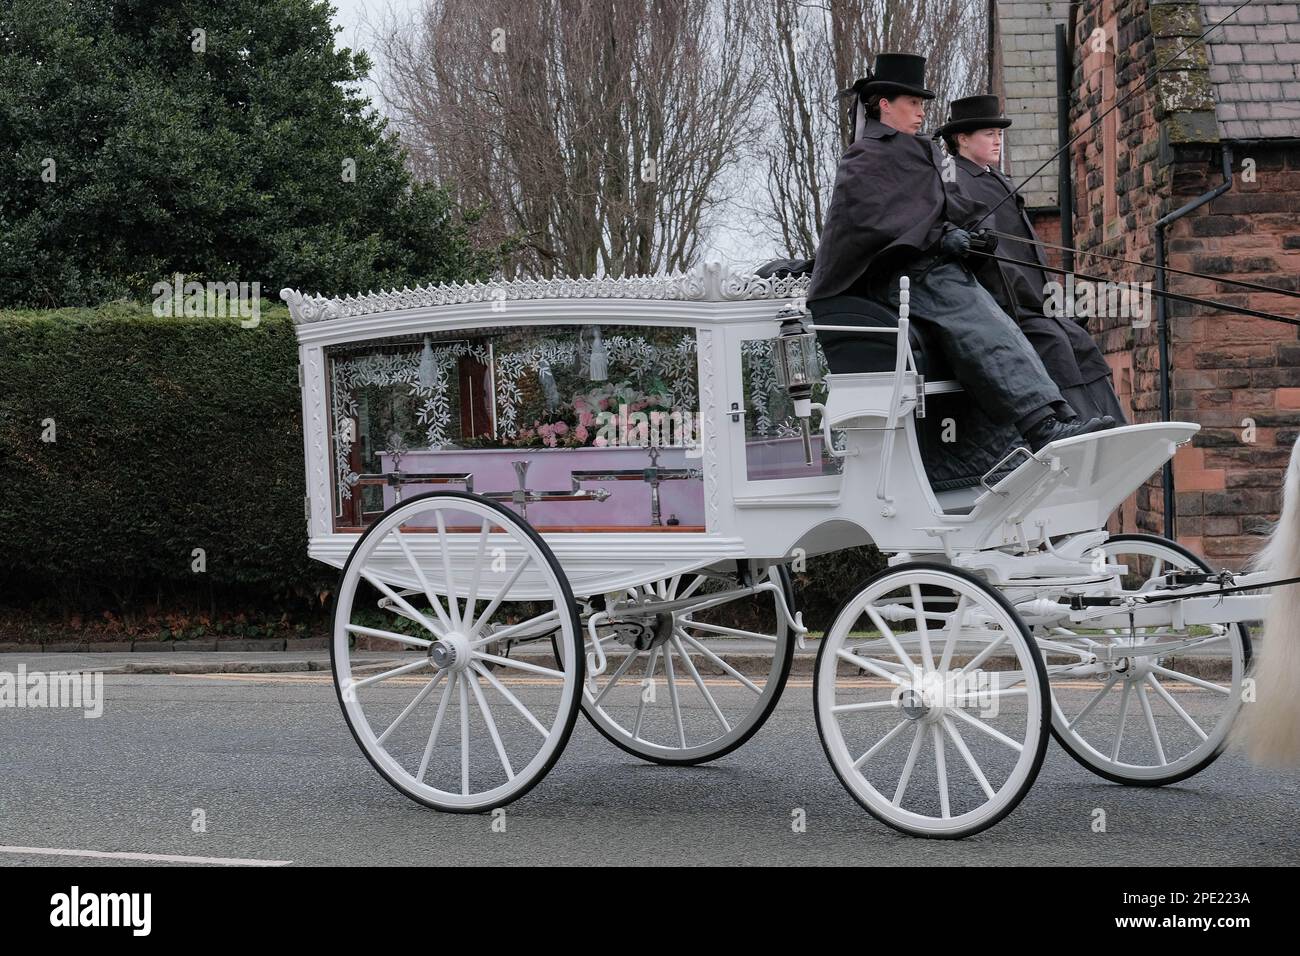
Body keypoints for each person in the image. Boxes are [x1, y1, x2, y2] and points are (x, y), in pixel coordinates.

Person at [806, 53, 1115, 453]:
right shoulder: (864, 157)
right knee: (974, 317)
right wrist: (938, 240)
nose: (920, 113)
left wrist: (972, 233)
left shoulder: (921, 151)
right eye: (913, 103)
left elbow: (945, 204)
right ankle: (1040, 427)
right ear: (884, 104)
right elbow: (871, 223)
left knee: (1001, 312)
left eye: (923, 105)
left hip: (931, 268)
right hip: (892, 276)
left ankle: (1061, 416)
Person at [937, 94, 1128, 424]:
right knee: (1054, 344)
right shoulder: (954, 177)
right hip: (1005, 300)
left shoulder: (994, 176)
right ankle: (1078, 427)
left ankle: (1114, 423)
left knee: (1078, 339)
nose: (997, 141)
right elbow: (961, 228)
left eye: (999, 134)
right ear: (962, 139)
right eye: (988, 134)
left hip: (1036, 296)